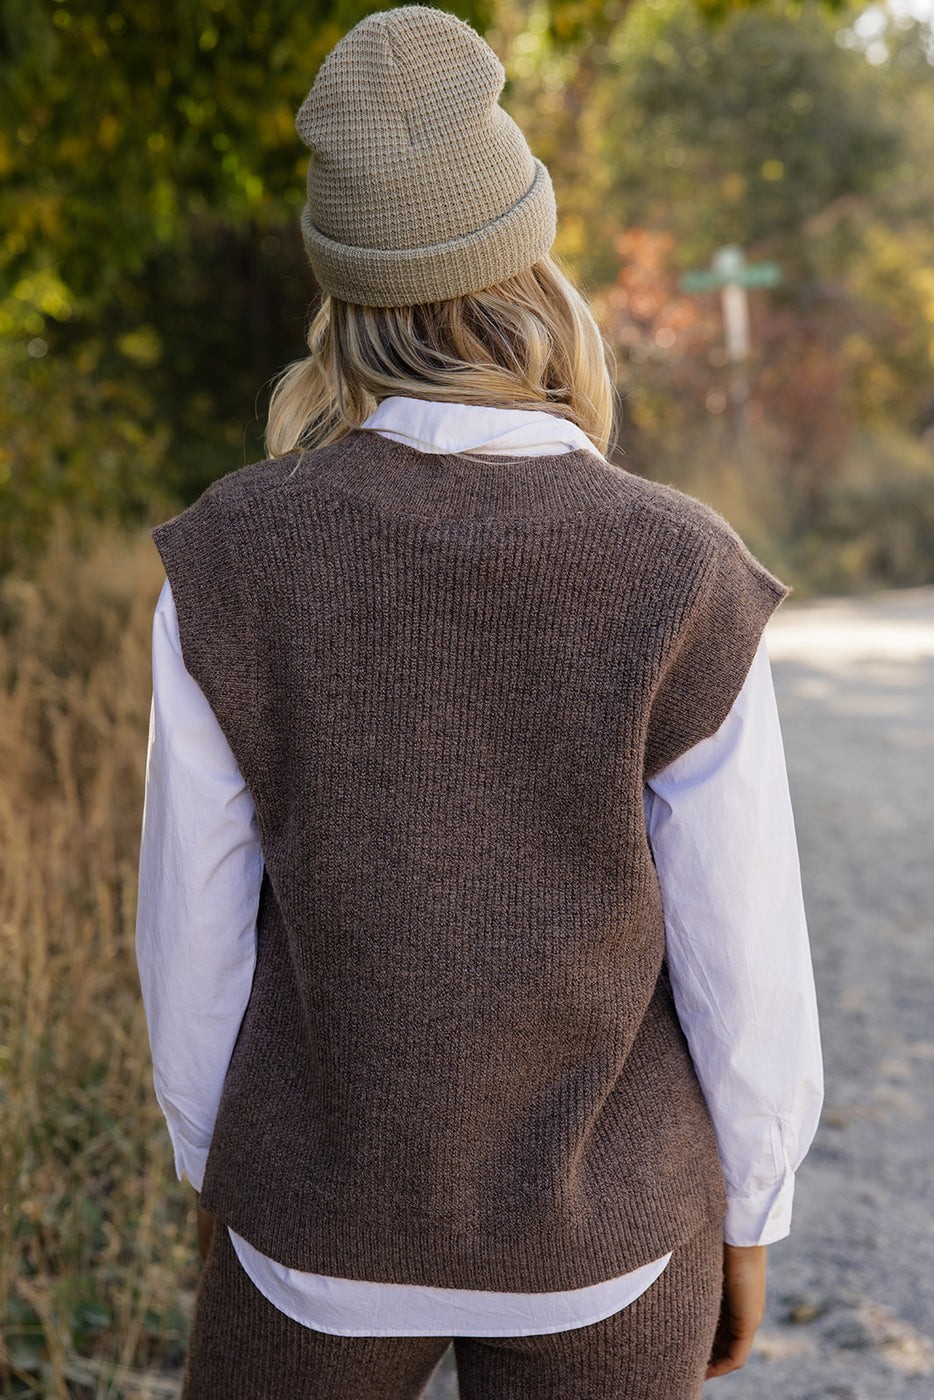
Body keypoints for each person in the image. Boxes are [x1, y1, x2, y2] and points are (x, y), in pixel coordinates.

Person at [135, 7, 823, 1398]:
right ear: (534, 266)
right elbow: (738, 945)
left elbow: (189, 931)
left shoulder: (225, 557)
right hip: (610, 1233)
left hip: (315, 1224)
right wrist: (750, 1215)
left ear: (340, 294)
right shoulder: (678, 565)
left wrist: (222, 1171)